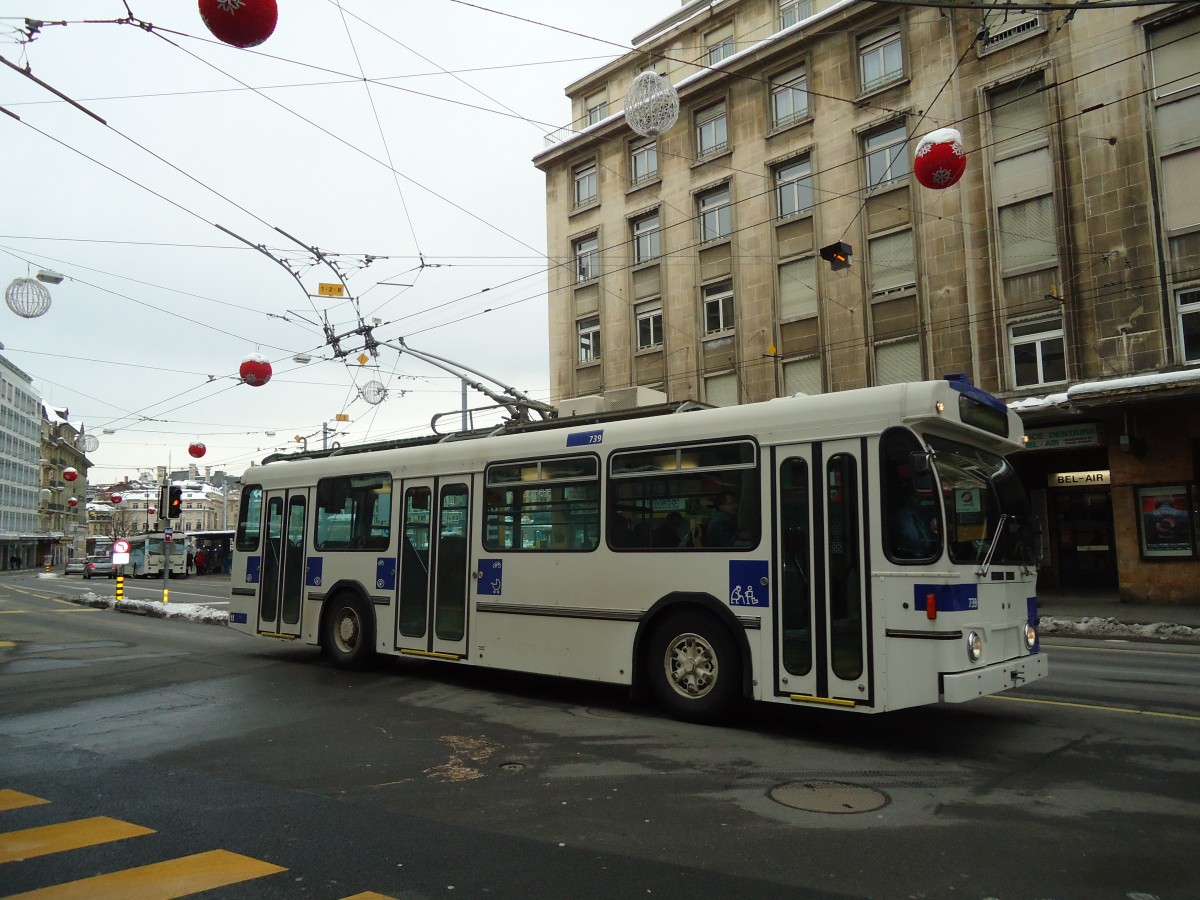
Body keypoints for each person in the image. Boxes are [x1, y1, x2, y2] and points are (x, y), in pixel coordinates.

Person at [894, 488, 937, 559]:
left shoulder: (916, 515)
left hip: (923, 554)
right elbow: (907, 539)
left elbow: (924, 535)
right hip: (909, 556)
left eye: (918, 496)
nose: (919, 499)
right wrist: (924, 544)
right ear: (906, 499)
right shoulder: (902, 516)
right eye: (915, 497)